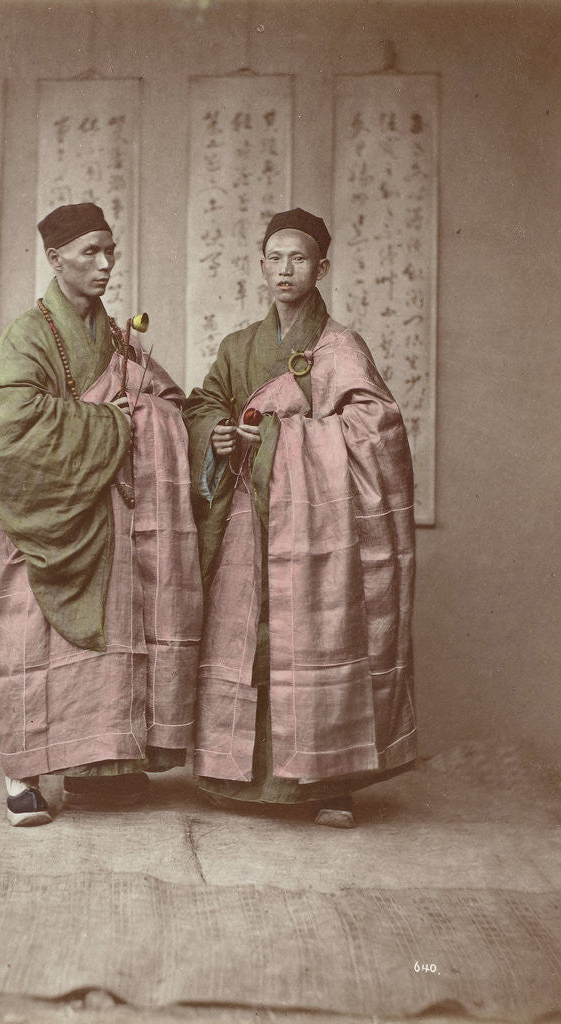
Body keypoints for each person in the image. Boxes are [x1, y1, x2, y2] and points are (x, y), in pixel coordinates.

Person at [183, 207, 416, 828]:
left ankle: (330, 780)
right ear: (261, 266)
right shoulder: (238, 347)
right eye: (275, 257)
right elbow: (204, 404)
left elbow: (374, 428)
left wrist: (284, 443)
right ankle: (237, 774)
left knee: (315, 638)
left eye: (300, 258)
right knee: (245, 638)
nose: (286, 269)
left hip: (313, 523)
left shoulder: (340, 347)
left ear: (322, 269)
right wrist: (219, 438)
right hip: (244, 517)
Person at [0, 202, 202, 826]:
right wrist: (110, 423)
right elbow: (6, 429)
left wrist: (151, 417)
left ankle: (100, 771)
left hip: (117, 518)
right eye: (89, 254)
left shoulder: (120, 338)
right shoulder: (29, 335)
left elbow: (168, 403)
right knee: (29, 633)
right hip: (54, 516)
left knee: (112, 645)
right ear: (55, 260)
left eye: (110, 252)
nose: (104, 265)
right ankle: (20, 775)